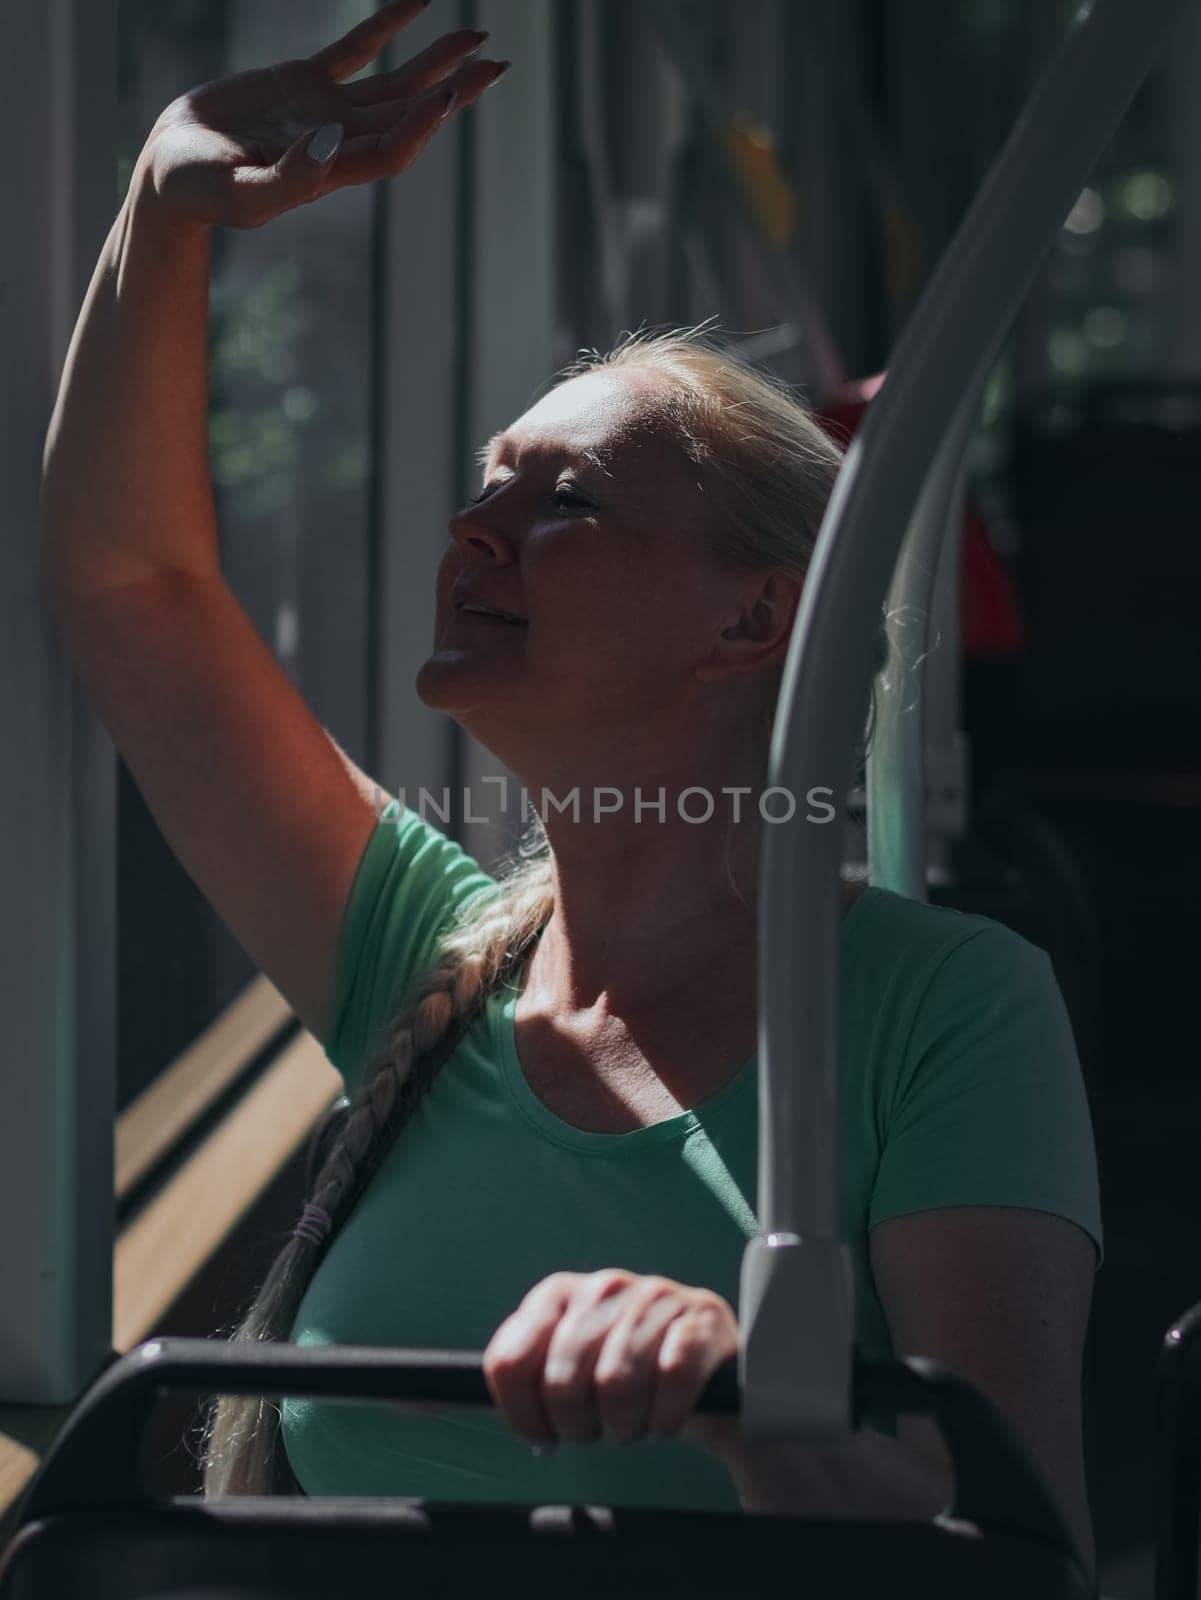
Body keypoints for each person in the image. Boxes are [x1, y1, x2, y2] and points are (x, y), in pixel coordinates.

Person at [38, 0, 1101, 1580]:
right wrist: (158, 199)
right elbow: (133, 587)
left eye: (569, 502)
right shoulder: (425, 962)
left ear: (753, 622)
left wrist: (759, 1417)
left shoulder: (941, 1012)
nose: (473, 529)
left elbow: (1014, 1546)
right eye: (485, 482)